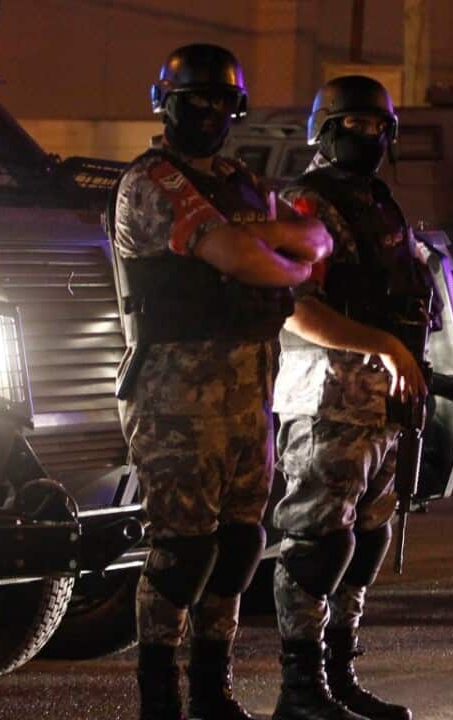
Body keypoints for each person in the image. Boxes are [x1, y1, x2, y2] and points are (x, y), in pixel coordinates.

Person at [111, 44, 331, 720]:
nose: (207, 113)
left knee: (237, 547)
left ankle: (213, 693)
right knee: (181, 553)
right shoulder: (152, 181)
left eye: (219, 101)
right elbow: (245, 256)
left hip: (248, 391)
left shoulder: (239, 180)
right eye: (193, 100)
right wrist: (284, 264)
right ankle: (159, 699)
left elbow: (315, 236)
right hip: (176, 395)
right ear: (165, 105)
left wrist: (280, 251)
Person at [271, 75, 434, 720]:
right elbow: (295, 307)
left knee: (364, 542)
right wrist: (383, 346)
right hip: (328, 398)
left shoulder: (379, 204)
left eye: (377, 127)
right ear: (326, 129)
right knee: (317, 545)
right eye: (354, 125)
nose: (368, 137)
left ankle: (340, 677)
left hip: (383, 402)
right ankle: (300, 689)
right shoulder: (307, 204)